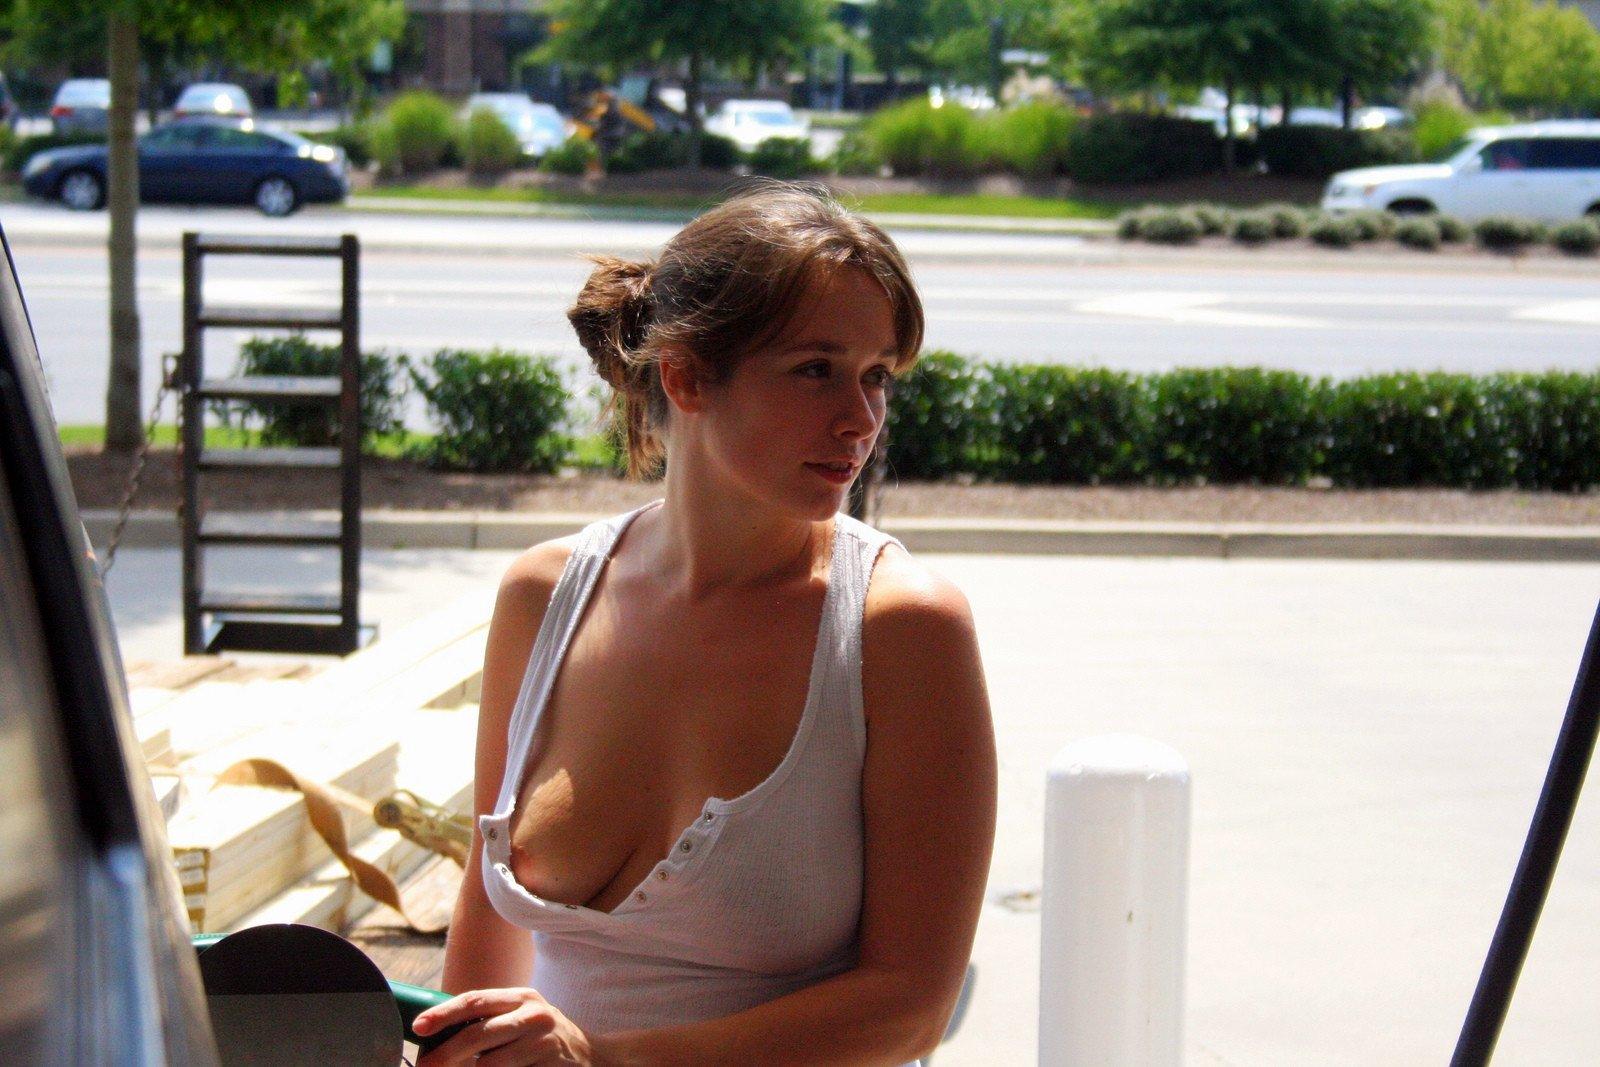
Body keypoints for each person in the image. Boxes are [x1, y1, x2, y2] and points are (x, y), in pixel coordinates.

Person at [414, 182, 997, 1066]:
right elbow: (486, 926)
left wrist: (605, 1061)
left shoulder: (901, 627)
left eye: (877, 375)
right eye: (817, 369)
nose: (862, 419)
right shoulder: (543, 595)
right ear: (684, 375)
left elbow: (909, 1005)